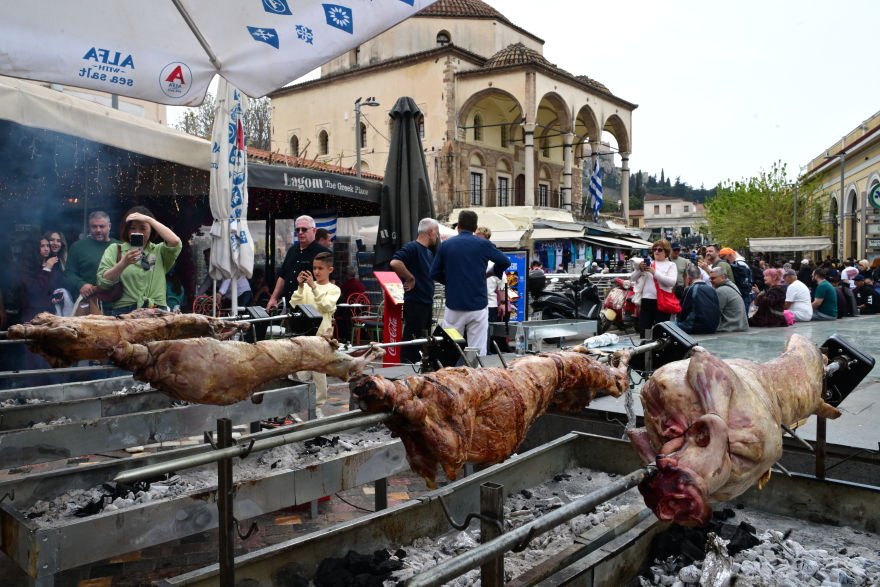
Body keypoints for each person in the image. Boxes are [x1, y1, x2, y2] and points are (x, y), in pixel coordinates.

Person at [431, 210, 510, 356]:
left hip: (454, 304)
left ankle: (451, 376)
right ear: (475, 227)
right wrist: (491, 273)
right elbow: (505, 261)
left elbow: (434, 272)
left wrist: (451, 282)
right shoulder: (483, 244)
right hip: (478, 304)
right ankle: (476, 375)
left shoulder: (446, 245)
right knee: (477, 350)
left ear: (458, 224)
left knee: (450, 349)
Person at [97, 207, 182, 315]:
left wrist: (149, 219)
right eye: (132, 228)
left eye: (143, 228)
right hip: (125, 310)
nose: (137, 232)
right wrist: (124, 263)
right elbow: (103, 282)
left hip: (156, 309)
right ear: (126, 230)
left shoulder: (159, 251)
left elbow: (175, 241)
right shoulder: (115, 249)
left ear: (151, 229)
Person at [290, 251, 340, 417]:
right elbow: (294, 304)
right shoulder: (306, 288)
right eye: (314, 268)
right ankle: (296, 407)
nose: (316, 272)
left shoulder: (333, 289)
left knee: (319, 374)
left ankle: (317, 407)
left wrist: (313, 287)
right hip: (304, 335)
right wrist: (300, 286)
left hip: (322, 337)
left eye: (320, 268)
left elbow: (326, 306)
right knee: (301, 373)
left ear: (330, 269)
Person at [19, 235, 68, 384]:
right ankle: (34, 389)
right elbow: (35, 289)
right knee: (34, 356)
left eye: (47, 245)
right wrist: (46, 268)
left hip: (50, 314)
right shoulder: (26, 268)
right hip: (32, 315)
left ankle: (50, 388)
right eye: (42, 246)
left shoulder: (52, 267)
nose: (47, 248)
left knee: (49, 353)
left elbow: (59, 286)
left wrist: (58, 295)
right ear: (35, 249)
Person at [390, 218, 439, 363]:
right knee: (412, 341)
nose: (437, 236)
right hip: (416, 302)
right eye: (436, 232)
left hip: (425, 303)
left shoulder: (428, 253)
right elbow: (395, 262)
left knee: (423, 341)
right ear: (430, 232)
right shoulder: (413, 247)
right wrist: (410, 278)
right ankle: (406, 369)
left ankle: (419, 370)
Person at [267, 216, 332, 312]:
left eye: (304, 229)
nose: (300, 232)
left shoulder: (323, 252)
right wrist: (273, 298)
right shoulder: (292, 250)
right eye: (297, 229)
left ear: (314, 231)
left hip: (312, 308)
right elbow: (283, 277)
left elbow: (331, 281)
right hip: (290, 305)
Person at [65, 211, 121, 315]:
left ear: (109, 226)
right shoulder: (78, 247)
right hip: (88, 303)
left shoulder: (120, 247)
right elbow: (69, 273)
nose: (98, 230)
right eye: (94, 226)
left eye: (101, 226)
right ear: (89, 227)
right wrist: (80, 284)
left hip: (117, 305)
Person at [630, 239, 677, 339]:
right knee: (645, 331)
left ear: (666, 251)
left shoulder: (671, 265)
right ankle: (646, 353)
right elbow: (632, 278)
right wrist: (640, 270)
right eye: (655, 249)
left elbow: (671, 282)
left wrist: (654, 272)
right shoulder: (649, 263)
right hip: (646, 301)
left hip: (662, 301)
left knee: (662, 332)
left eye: (660, 249)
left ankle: (661, 352)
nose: (656, 251)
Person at [674, 265, 720, 334]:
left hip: (695, 326)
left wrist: (680, 321)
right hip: (713, 327)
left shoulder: (690, 289)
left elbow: (683, 310)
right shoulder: (712, 289)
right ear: (701, 276)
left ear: (688, 279)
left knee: (667, 325)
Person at [710, 267, 749, 332]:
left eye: (713, 278)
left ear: (723, 277)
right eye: (710, 278)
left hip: (729, 327)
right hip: (740, 325)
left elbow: (715, 313)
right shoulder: (732, 285)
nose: (710, 280)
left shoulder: (721, 291)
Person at [337, 265, 367, 343]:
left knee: (338, 311)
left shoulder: (347, 285)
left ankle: (344, 336)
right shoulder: (360, 283)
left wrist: (339, 288)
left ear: (347, 274)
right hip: (361, 311)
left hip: (351, 312)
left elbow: (339, 296)